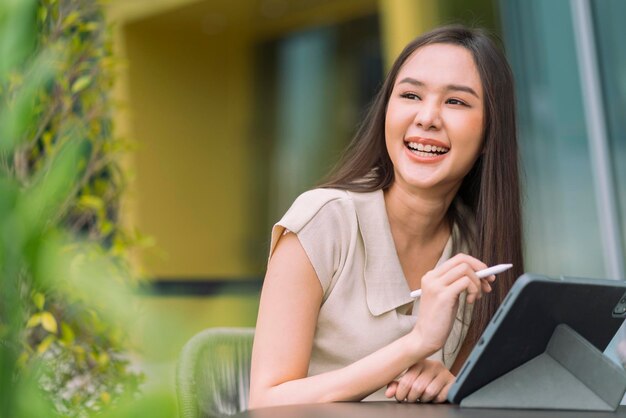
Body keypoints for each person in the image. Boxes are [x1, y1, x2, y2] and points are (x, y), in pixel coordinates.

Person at [249, 24, 524, 407]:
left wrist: (450, 385)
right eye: (411, 95)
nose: (427, 118)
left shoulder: (477, 247)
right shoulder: (322, 220)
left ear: (488, 133)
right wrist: (416, 345)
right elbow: (265, 401)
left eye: (456, 102)